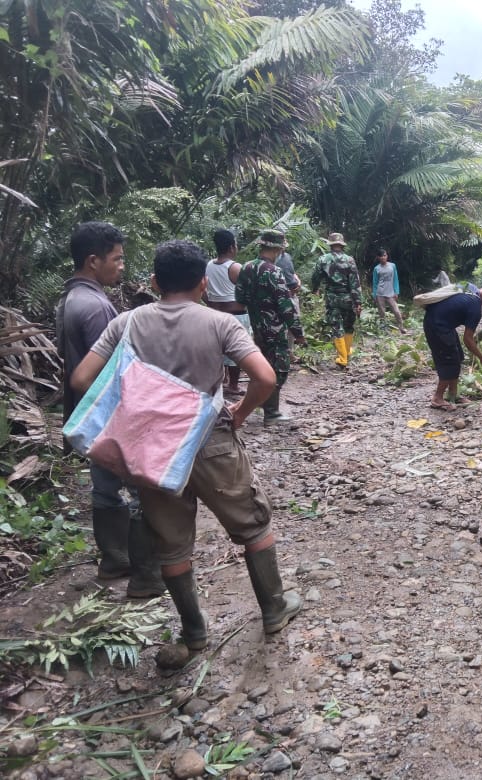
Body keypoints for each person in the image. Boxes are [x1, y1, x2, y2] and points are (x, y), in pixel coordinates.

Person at [70, 239, 301, 651]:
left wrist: (132, 414)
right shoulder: (220, 323)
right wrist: (240, 413)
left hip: (152, 451)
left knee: (172, 543)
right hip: (211, 441)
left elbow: (82, 379)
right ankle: (273, 609)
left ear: (155, 282)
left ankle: (194, 632)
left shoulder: (126, 323)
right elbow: (265, 378)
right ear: (203, 284)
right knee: (252, 523)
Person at [55, 221, 164, 598]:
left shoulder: (70, 299)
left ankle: (114, 558)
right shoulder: (97, 307)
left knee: (104, 488)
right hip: (112, 414)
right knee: (140, 491)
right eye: (116, 259)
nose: (121, 266)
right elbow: (111, 370)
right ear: (93, 261)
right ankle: (145, 573)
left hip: (91, 415)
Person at [235, 229, 306, 425]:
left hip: (256, 327)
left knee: (263, 365)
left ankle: (263, 406)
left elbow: (239, 298)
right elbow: (285, 306)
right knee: (279, 368)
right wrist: (298, 333)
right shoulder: (274, 271)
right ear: (278, 250)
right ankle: (271, 412)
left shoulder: (246, 267)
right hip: (274, 329)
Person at [422, 281, 482, 410]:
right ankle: (437, 398)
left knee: (458, 356)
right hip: (437, 326)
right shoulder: (475, 307)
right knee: (449, 362)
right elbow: (468, 340)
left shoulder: (471, 288)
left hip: (440, 321)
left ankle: (453, 394)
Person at [203, 228, 249, 396]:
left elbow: (203, 290)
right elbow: (247, 292)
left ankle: (222, 380)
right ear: (231, 247)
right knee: (236, 349)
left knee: (218, 349)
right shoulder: (235, 268)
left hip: (214, 313)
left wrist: (210, 303)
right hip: (236, 314)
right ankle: (233, 385)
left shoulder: (208, 265)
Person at [311, 232, 363, 367]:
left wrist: (315, 289)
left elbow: (315, 277)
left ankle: (342, 358)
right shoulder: (350, 260)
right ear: (342, 244)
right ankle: (347, 352)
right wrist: (358, 301)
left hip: (332, 297)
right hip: (348, 298)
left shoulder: (323, 259)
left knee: (336, 325)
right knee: (348, 325)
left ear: (330, 244)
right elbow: (355, 282)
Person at [371, 248, 407, 334]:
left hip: (390, 293)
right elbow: (375, 282)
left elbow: (395, 279)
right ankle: (384, 329)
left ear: (387, 256)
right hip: (380, 293)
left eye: (384, 255)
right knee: (382, 313)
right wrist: (374, 295)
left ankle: (401, 327)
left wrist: (396, 291)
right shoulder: (376, 268)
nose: (383, 257)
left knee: (396, 311)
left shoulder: (392, 266)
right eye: (381, 256)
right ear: (378, 257)